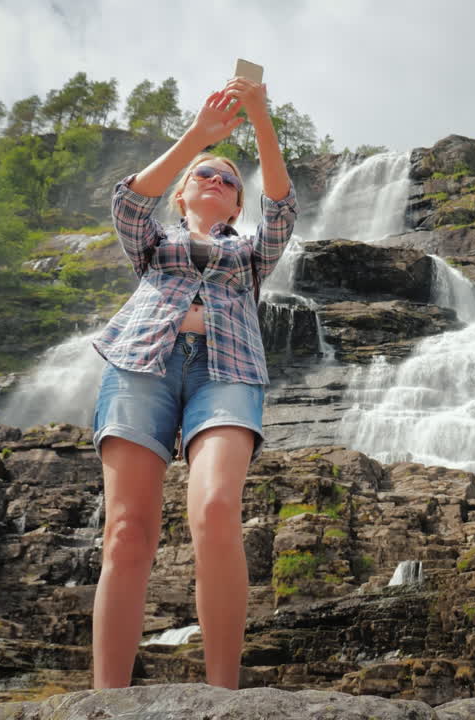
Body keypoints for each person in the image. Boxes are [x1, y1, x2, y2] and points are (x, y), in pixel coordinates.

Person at [89, 76, 296, 690]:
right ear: (181, 195)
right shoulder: (155, 243)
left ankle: (222, 697)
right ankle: (106, 702)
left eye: (230, 180)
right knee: (126, 532)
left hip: (228, 372)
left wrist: (260, 118)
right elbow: (129, 202)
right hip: (140, 366)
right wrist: (199, 137)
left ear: (236, 208)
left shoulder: (251, 253)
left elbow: (281, 209)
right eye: (204, 174)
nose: (217, 180)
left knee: (215, 508)